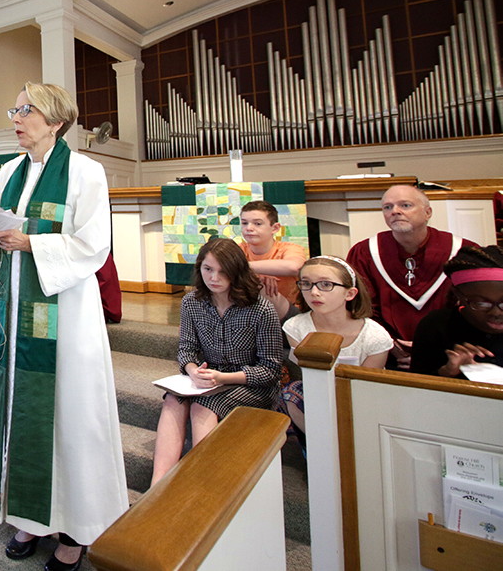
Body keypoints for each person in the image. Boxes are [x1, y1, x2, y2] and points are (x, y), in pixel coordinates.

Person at [0, 82, 127, 570]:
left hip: (67, 315)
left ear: (55, 122)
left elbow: (93, 244)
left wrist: (31, 242)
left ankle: (76, 529)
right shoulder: (12, 170)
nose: (15, 117)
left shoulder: (86, 172)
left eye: (26, 110)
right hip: (17, 311)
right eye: (14, 108)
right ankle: (32, 516)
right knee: (24, 412)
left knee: (69, 417)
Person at [151, 237, 282, 486]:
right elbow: (187, 350)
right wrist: (192, 371)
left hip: (250, 384)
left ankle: (204, 484)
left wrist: (223, 378)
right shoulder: (192, 302)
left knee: (203, 404)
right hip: (210, 378)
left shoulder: (260, 309)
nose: (214, 278)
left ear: (237, 271)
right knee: (172, 399)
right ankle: (157, 486)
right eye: (208, 269)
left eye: (223, 271)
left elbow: (271, 370)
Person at [346, 184, 478, 370]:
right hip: (387, 354)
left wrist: (429, 352)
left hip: (449, 356)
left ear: (427, 212)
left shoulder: (463, 252)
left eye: (405, 205)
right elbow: (362, 308)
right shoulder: (365, 252)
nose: (395, 211)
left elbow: (473, 308)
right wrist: (391, 347)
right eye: (388, 207)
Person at [279, 256, 391, 443]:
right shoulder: (295, 328)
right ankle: (321, 447)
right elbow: (311, 377)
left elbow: (366, 389)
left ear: (350, 293)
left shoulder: (375, 337)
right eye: (306, 284)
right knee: (290, 393)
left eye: (325, 285)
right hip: (318, 394)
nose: (314, 292)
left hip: (361, 401)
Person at [411, 245, 503, 378]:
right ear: (459, 296)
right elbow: (416, 386)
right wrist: (447, 372)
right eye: (481, 303)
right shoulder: (436, 326)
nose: (496, 312)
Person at [238, 200, 308, 319]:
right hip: (248, 313)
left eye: (258, 224)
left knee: (263, 289)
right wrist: (256, 277)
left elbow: (295, 267)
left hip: (288, 314)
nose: (249, 228)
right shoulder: (239, 249)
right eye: (245, 223)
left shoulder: (290, 248)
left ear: (275, 228)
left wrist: (247, 270)